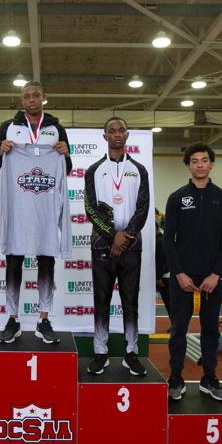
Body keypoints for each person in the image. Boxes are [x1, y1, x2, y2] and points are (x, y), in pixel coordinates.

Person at [0, 81, 71, 344]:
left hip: (44, 213)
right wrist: (1, 152)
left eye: (36, 95)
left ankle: (43, 319)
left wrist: (65, 154)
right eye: (27, 96)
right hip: (19, 212)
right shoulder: (8, 127)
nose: (32, 100)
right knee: (13, 264)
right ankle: (12, 319)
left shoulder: (56, 129)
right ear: (21, 100)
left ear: (44, 98)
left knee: (46, 263)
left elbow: (66, 170)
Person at [162, 143, 222, 402]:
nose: (200, 164)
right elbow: (168, 239)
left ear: (211, 163)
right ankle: (176, 377)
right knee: (178, 328)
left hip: (211, 278)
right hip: (183, 278)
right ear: (188, 165)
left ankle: (210, 378)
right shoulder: (177, 198)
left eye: (204, 160)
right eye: (195, 161)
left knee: (211, 329)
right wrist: (178, 273)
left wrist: (216, 274)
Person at [83, 117, 149, 376]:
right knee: (101, 301)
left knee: (130, 301)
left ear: (127, 135)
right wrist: (113, 236)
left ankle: (130, 353)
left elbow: (143, 208)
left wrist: (125, 236)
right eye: (112, 131)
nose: (117, 134)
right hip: (102, 244)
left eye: (121, 130)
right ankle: (101, 352)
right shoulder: (94, 170)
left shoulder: (139, 169)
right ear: (105, 136)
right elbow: (89, 207)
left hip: (131, 246)